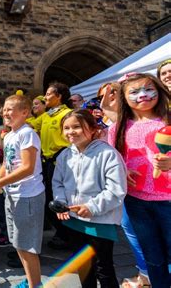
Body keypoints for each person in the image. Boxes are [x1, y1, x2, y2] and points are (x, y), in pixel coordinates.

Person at [108, 72, 170, 288]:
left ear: (158, 91)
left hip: (168, 201)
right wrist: (121, 171)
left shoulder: (168, 120)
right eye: (134, 92)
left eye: (148, 89)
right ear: (124, 98)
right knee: (153, 256)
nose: (143, 95)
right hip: (136, 202)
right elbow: (112, 160)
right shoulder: (118, 129)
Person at [53, 109, 127, 288]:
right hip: (74, 221)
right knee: (83, 267)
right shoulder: (65, 155)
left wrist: (92, 207)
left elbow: (116, 190)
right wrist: (61, 203)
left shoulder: (107, 154)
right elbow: (58, 183)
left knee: (104, 269)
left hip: (100, 222)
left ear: (93, 128)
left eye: (77, 127)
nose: (71, 132)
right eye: (67, 128)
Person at [0, 95, 45, 288]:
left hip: (28, 196)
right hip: (12, 195)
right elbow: (6, 163)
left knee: (27, 246)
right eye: (4, 108)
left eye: (10, 109)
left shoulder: (27, 133)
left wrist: (1, 182)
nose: (5, 112)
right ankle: (30, 280)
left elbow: (28, 167)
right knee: (18, 243)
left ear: (25, 113)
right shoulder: (9, 135)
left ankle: (35, 284)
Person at [28, 82, 73, 249]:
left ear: (59, 96)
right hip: (46, 163)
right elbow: (30, 125)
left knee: (62, 197)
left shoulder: (68, 114)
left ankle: (68, 234)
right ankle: (62, 232)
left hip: (62, 161)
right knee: (50, 199)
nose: (45, 97)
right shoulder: (46, 116)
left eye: (48, 94)